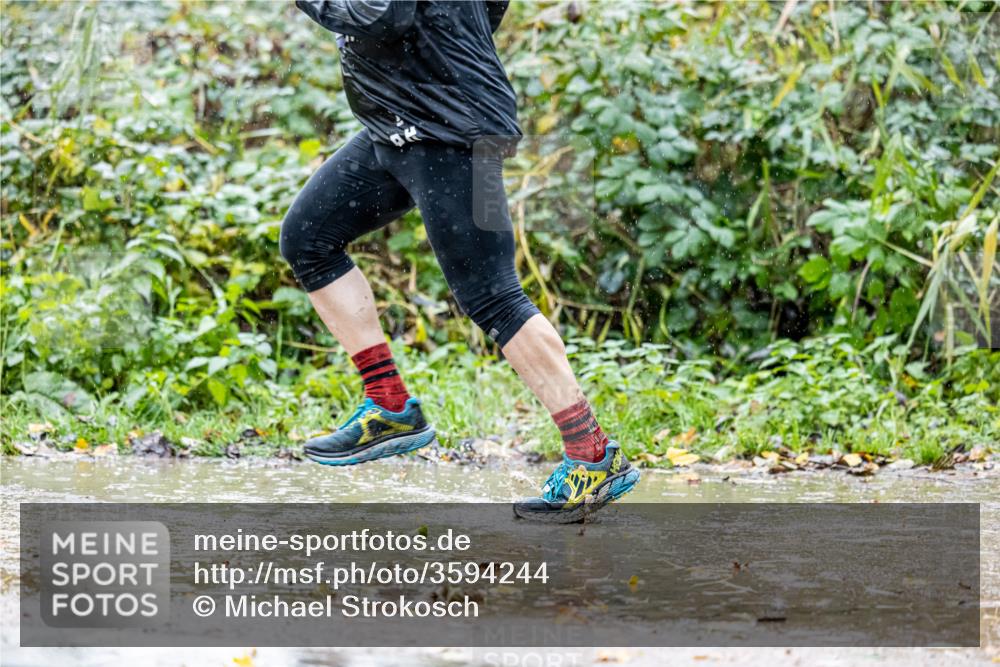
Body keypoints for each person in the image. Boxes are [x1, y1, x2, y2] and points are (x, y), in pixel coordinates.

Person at [282, 0, 639, 522]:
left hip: (457, 136)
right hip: (401, 127)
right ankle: (389, 406)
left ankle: (591, 454)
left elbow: (384, 15)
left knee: (493, 295)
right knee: (308, 237)